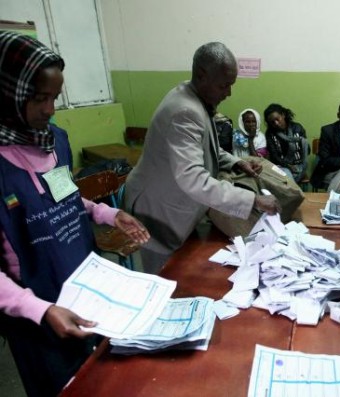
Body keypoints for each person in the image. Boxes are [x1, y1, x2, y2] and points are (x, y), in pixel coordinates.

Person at [0, 31, 149, 397]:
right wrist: (36, 308)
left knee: (101, 377)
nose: (49, 109)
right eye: (39, 99)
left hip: (85, 288)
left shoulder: (53, 139)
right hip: (37, 312)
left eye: (54, 98)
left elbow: (61, 197)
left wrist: (105, 213)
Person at [125, 42, 280, 274]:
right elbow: (193, 179)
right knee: (165, 278)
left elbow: (205, 147)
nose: (228, 93)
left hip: (173, 204)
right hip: (158, 211)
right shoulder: (185, 112)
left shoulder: (195, 98)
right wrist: (254, 200)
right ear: (201, 75)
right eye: (224, 85)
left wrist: (236, 162)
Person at [264, 103, 309, 183]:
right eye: (272, 122)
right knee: (286, 177)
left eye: (277, 119)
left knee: (289, 178)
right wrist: (288, 166)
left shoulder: (297, 128)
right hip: (281, 166)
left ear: (283, 115)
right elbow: (274, 156)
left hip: (299, 165)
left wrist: (302, 144)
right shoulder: (270, 134)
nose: (276, 123)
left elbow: (307, 150)